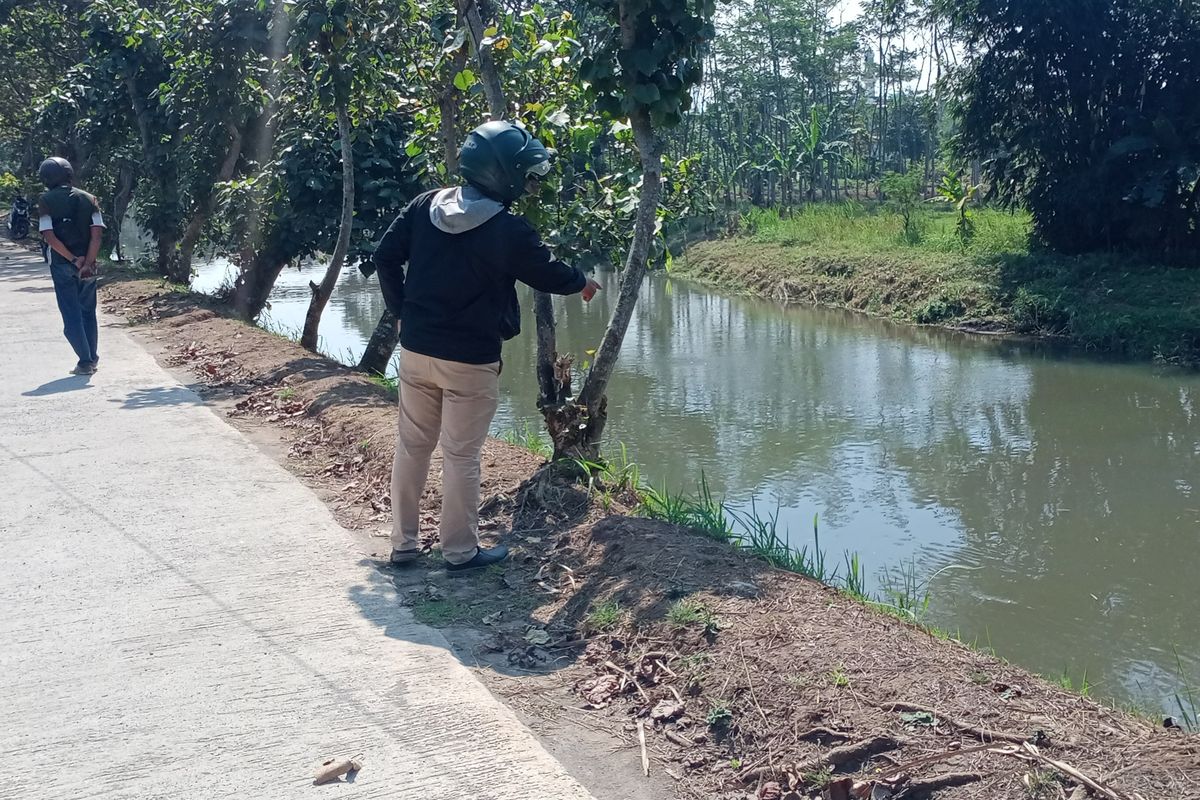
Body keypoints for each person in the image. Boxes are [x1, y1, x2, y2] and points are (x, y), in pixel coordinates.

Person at [373, 120, 601, 575]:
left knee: (412, 446)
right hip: (471, 362)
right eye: (525, 173)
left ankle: (403, 546)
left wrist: (402, 313)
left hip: (416, 352)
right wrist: (583, 282)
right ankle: (459, 552)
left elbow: (384, 255)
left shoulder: (424, 206)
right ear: (505, 174)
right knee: (460, 455)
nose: (530, 182)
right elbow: (547, 272)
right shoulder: (508, 230)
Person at [37, 157, 104, 375]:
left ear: (46, 178)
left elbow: (49, 236)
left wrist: (73, 259)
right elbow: (96, 235)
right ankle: (92, 357)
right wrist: (88, 262)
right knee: (88, 311)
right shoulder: (90, 199)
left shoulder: (46, 200)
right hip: (89, 264)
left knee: (71, 314)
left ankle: (85, 362)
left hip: (62, 264)